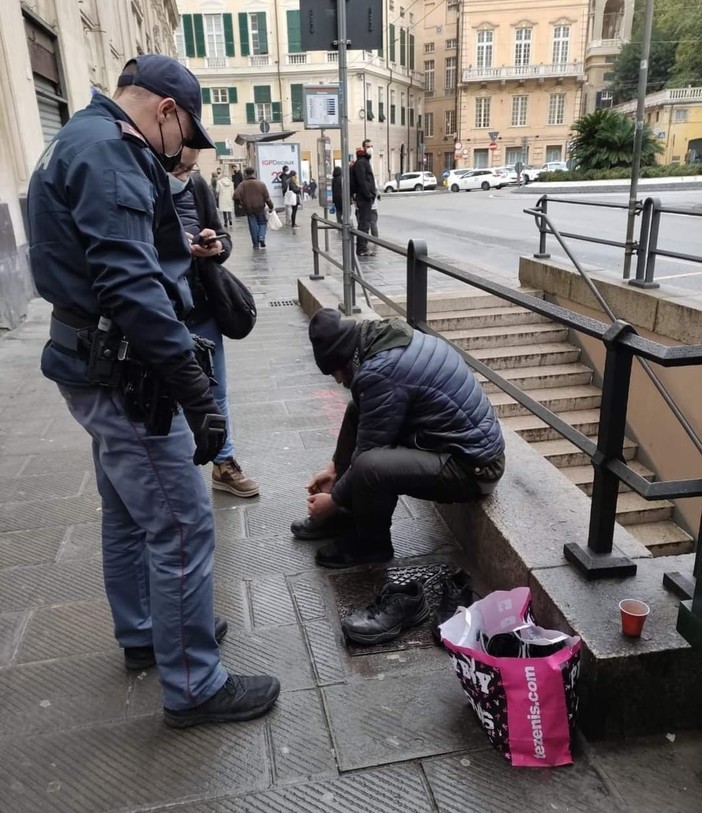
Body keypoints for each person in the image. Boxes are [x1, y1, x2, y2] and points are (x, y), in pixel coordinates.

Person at [26, 54, 279, 728]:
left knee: (125, 507)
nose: (183, 152)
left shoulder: (76, 136)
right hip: (123, 373)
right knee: (180, 522)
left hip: (87, 362)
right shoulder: (110, 153)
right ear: (166, 110)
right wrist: (197, 392)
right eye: (187, 135)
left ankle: (146, 631)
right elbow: (131, 288)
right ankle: (194, 683)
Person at [290, 309, 506, 569]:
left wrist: (333, 501)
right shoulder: (384, 338)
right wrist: (334, 469)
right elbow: (369, 424)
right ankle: (349, 515)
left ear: (345, 360)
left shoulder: (380, 373)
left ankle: (372, 545)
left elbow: (367, 456)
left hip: (471, 467)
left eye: (334, 372)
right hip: (450, 444)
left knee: (371, 466)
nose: (337, 381)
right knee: (356, 409)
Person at [170, 150, 260, 497]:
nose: (185, 174)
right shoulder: (141, 185)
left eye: (190, 168)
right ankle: (179, 470)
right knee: (171, 396)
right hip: (162, 313)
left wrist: (215, 246)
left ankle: (224, 464)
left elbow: (224, 238)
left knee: (216, 390)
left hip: (203, 305)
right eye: (179, 167)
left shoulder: (196, 186)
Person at [233, 166, 275, 249]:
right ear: (254, 173)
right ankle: (261, 236)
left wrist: (240, 204)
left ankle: (255, 244)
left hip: (249, 208)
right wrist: (271, 206)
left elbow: (235, 196)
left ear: (245, 174)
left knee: (253, 225)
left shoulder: (242, 185)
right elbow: (267, 197)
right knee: (262, 223)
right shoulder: (261, 184)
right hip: (260, 207)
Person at [351, 145, 377, 256]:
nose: (371, 148)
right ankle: (362, 248)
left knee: (364, 222)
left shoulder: (361, 162)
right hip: (364, 198)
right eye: (369, 147)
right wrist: (369, 195)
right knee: (364, 223)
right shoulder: (362, 163)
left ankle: (362, 247)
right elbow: (363, 181)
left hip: (363, 197)